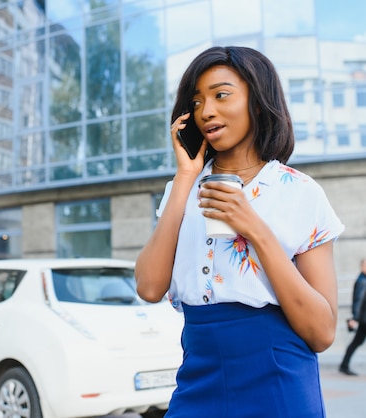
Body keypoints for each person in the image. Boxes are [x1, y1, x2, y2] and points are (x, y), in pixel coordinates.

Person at [135, 46, 344, 417]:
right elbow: (150, 287)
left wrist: (255, 229)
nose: (207, 111)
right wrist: (185, 178)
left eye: (221, 94)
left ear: (259, 102)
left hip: (278, 375)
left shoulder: (299, 192)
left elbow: (322, 332)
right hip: (199, 373)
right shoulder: (180, 189)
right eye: (197, 101)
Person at [339, 258, 366, 376]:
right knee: (356, 342)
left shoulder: (362, 279)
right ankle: (344, 365)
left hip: (363, 318)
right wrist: (355, 318)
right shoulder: (363, 281)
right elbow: (359, 300)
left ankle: (344, 365)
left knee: (356, 341)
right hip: (364, 319)